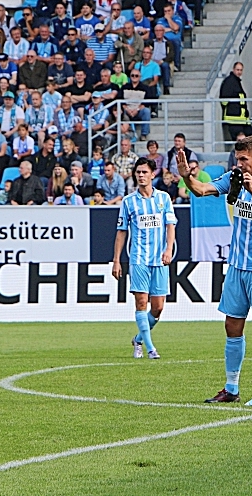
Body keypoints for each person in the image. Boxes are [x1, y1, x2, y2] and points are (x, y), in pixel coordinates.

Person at [179, 136, 252, 407]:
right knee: (232, 325)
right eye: (237, 159)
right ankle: (231, 387)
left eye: (243, 159)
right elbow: (202, 189)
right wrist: (187, 178)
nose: (238, 164)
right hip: (237, 265)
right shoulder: (235, 178)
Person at [113, 154, 176, 359]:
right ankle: (150, 348)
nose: (141, 176)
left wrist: (168, 249)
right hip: (138, 258)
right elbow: (121, 231)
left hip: (159, 259)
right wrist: (116, 260)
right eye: (138, 172)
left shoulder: (163, 198)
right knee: (141, 303)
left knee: (157, 308)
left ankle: (138, 338)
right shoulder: (129, 202)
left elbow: (170, 225)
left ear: (152, 174)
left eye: (144, 172)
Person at [219, 61, 252, 140]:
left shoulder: (236, 81)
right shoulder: (229, 82)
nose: (239, 72)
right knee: (241, 140)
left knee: (250, 137)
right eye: (237, 70)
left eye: (241, 70)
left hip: (242, 119)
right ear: (233, 69)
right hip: (233, 118)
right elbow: (224, 100)